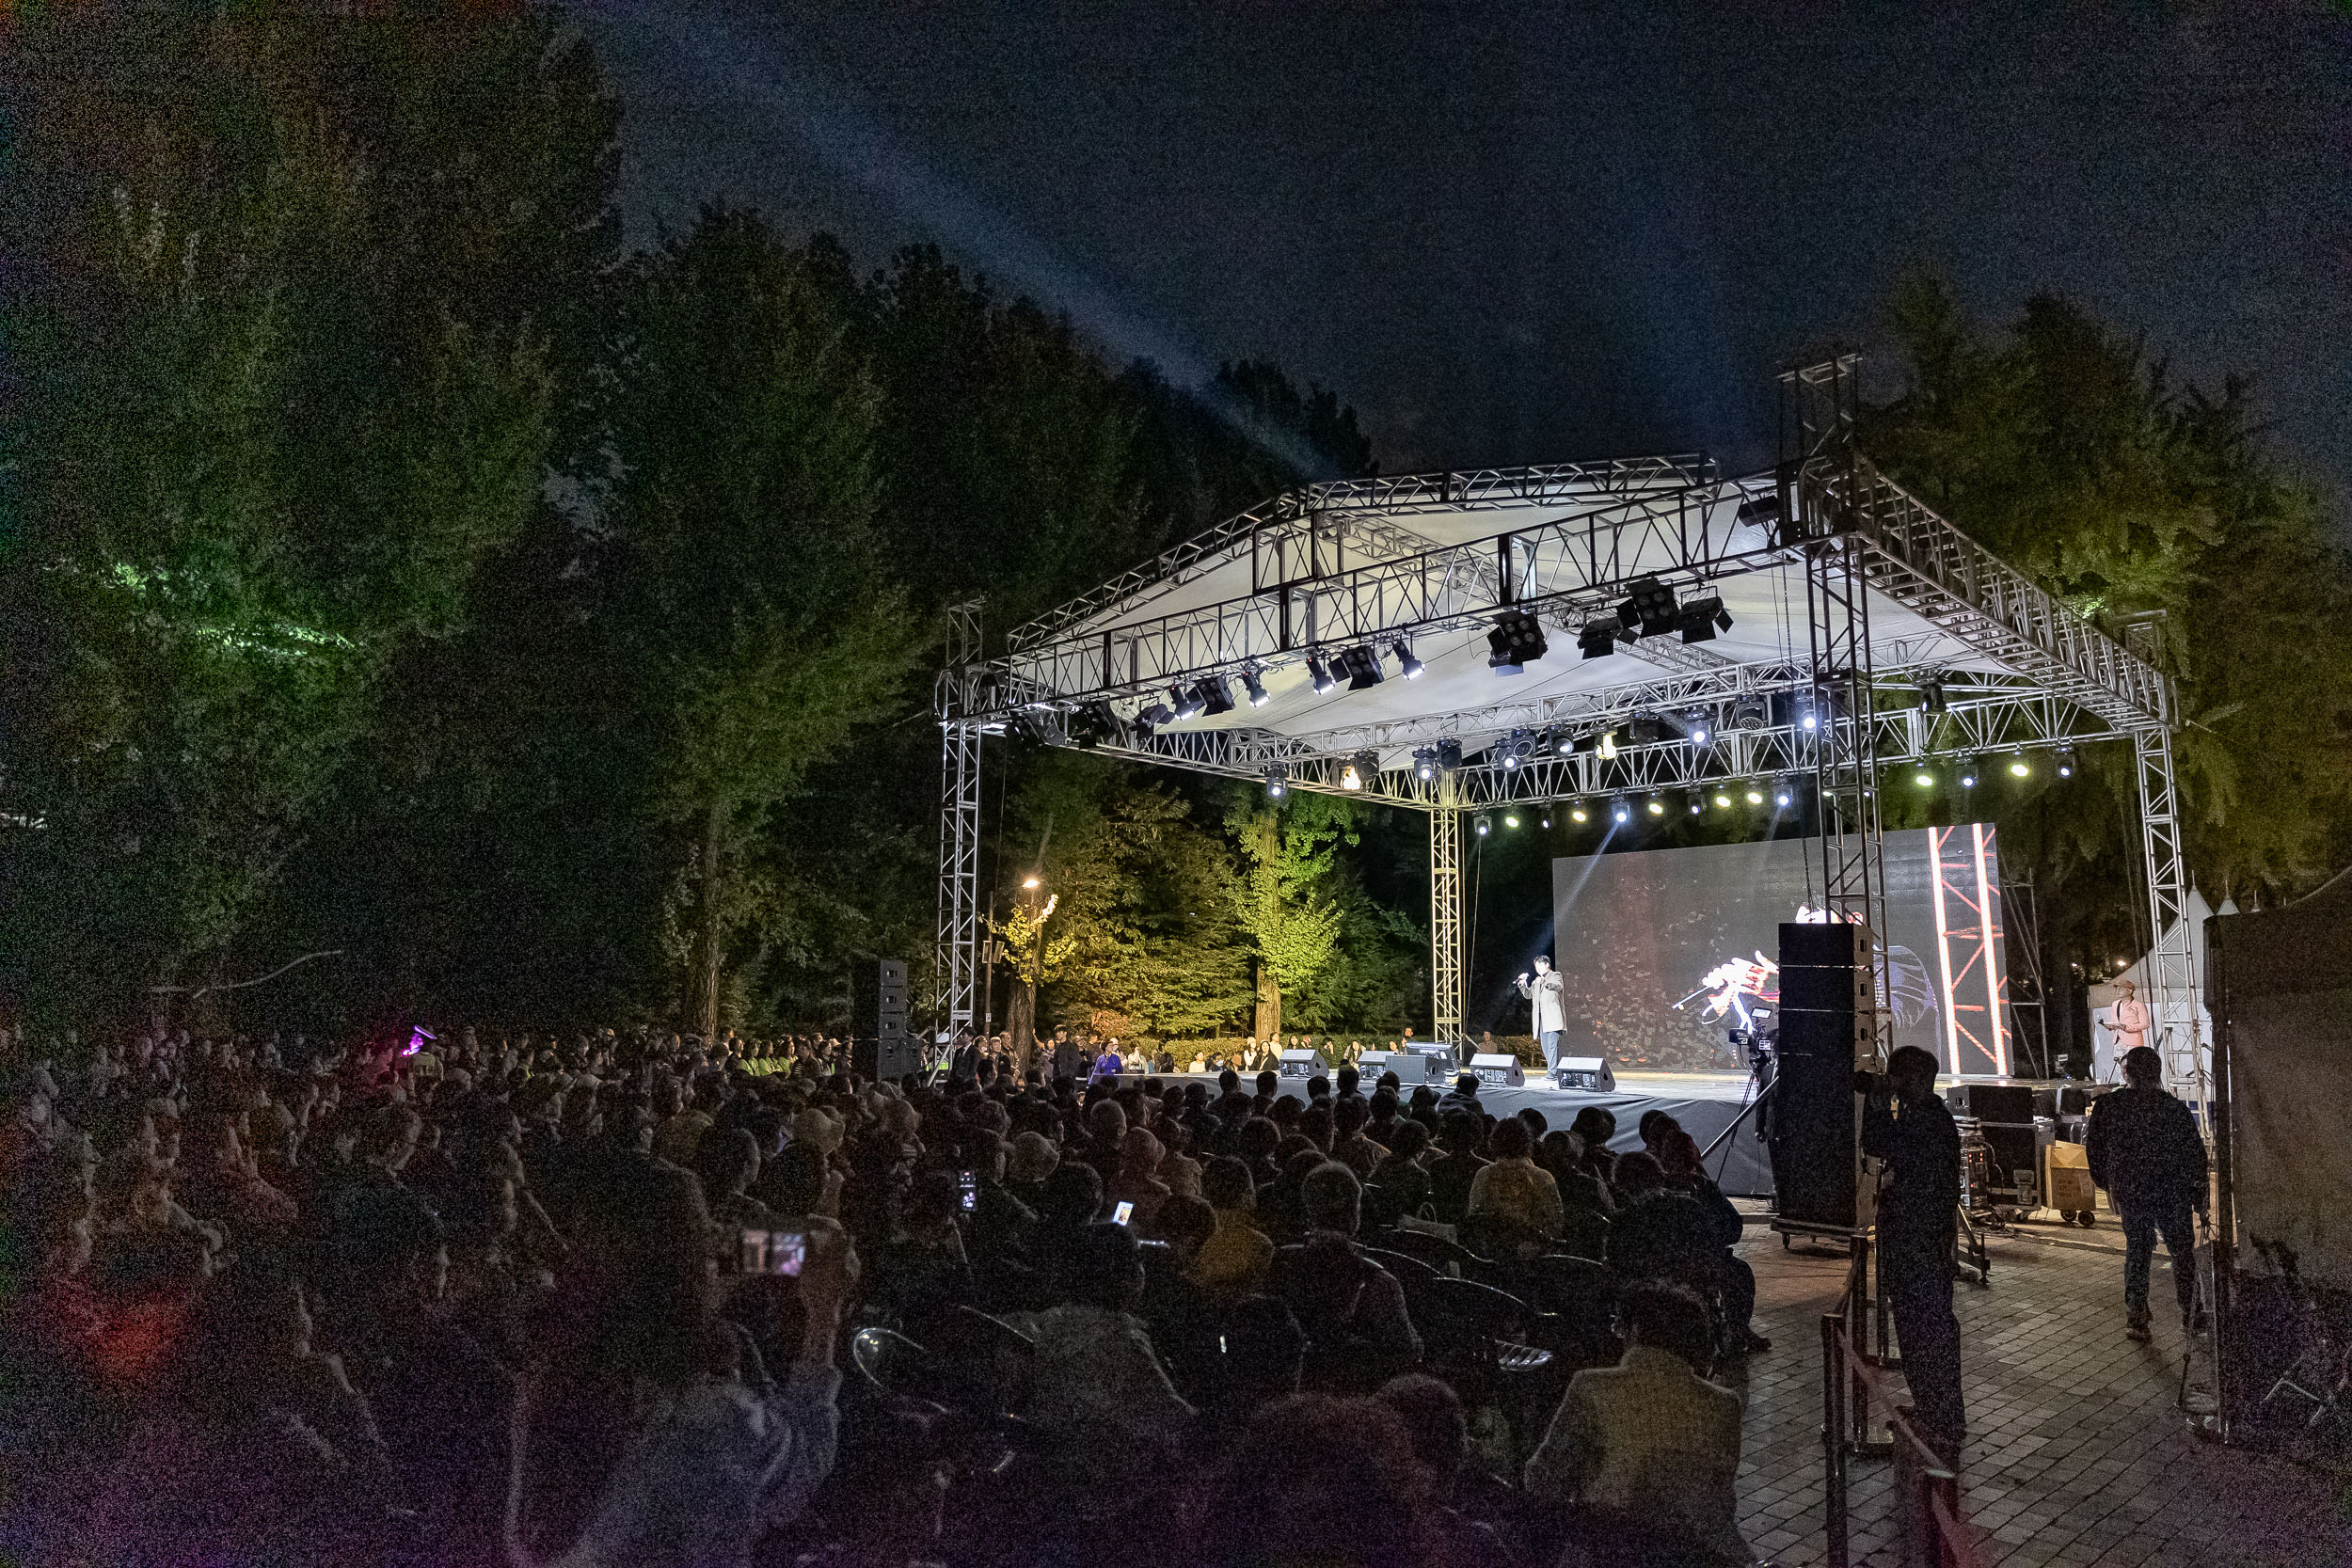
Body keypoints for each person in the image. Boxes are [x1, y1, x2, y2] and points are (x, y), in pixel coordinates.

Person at [1523, 1280, 1750, 1568]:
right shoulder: (1724, 1404)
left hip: (1609, 1550)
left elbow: (1545, 1476)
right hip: (1701, 1553)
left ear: (1635, 1330)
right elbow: (1719, 1499)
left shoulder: (1591, 1387)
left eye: (1621, 1325)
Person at [1860, 1044, 1965, 1460]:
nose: (1892, 1082)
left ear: (1914, 1080)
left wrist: (1877, 1103)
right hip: (1922, 1239)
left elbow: (1877, 1142)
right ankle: (1931, 1410)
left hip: (1918, 1241)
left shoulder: (1925, 1120)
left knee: (1927, 1329)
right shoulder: (1928, 1116)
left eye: (1896, 1076)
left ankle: (1941, 1418)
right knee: (1921, 1329)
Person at [2085, 1044, 2210, 1339]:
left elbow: (2095, 1150)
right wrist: (2198, 1197)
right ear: (2158, 1073)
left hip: (2132, 1190)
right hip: (2172, 1192)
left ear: (2127, 1073)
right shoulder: (2174, 1109)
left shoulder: (2109, 1107)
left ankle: (2137, 1316)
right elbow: (2195, 1155)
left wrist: (2108, 1183)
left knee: (2138, 1250)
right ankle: (2192, 1315)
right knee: (2182, 1253)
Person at [1516, 955, 1568, 1069]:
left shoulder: (1555, 975)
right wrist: (1523, 984)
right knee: (1545, 1048)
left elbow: (1558, 986)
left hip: (1553, 1018)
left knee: (1552, 1047)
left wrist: (1544, 982)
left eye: (1540, 965)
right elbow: (1528, 995)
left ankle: (1552, 1073)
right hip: (1542, 1020)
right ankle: (1553, 1071)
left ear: (1547, 965)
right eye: (1536, 966)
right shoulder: (1536, 981)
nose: (1538, 968)